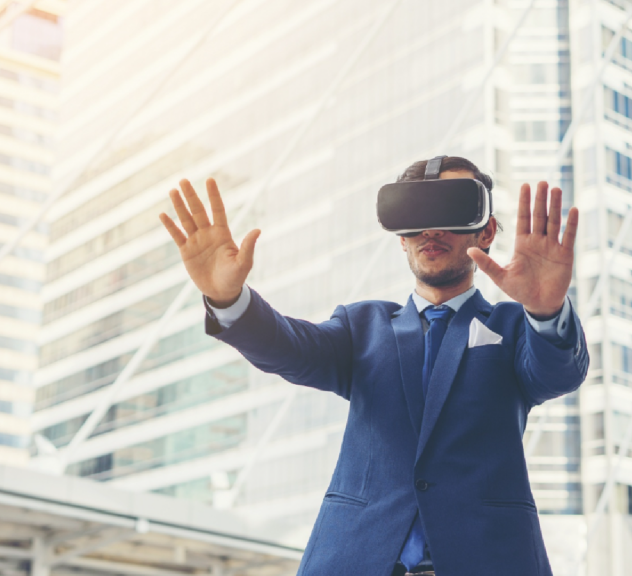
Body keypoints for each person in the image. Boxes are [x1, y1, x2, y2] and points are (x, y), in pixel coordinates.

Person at [158, 156, 588, 576]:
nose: (430, 229)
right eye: (414, 215)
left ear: (488, 230)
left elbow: (558, 372)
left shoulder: (516, 328)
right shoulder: (361, 327)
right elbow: (288, 347)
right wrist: (229, 302)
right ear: (400, 237)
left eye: (452, 209)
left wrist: (547, 311)